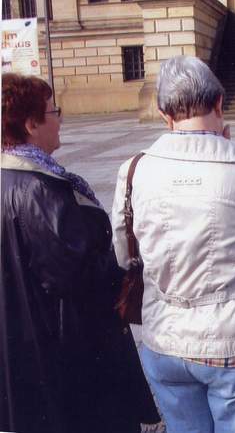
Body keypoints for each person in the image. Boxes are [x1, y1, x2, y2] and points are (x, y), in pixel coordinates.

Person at [112, 55, 235, 433]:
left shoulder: (133, 170)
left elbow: (125, 253)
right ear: (220, 104)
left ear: (165, 114)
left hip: (164, 337)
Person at [1, 73, 160, 433]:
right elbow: (77, 278)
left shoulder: (12, 179)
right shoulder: (42, 190)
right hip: (71, 354)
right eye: (53, 111)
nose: (60, 118)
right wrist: (126, 273)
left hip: (25, 351)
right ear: (31, 124)